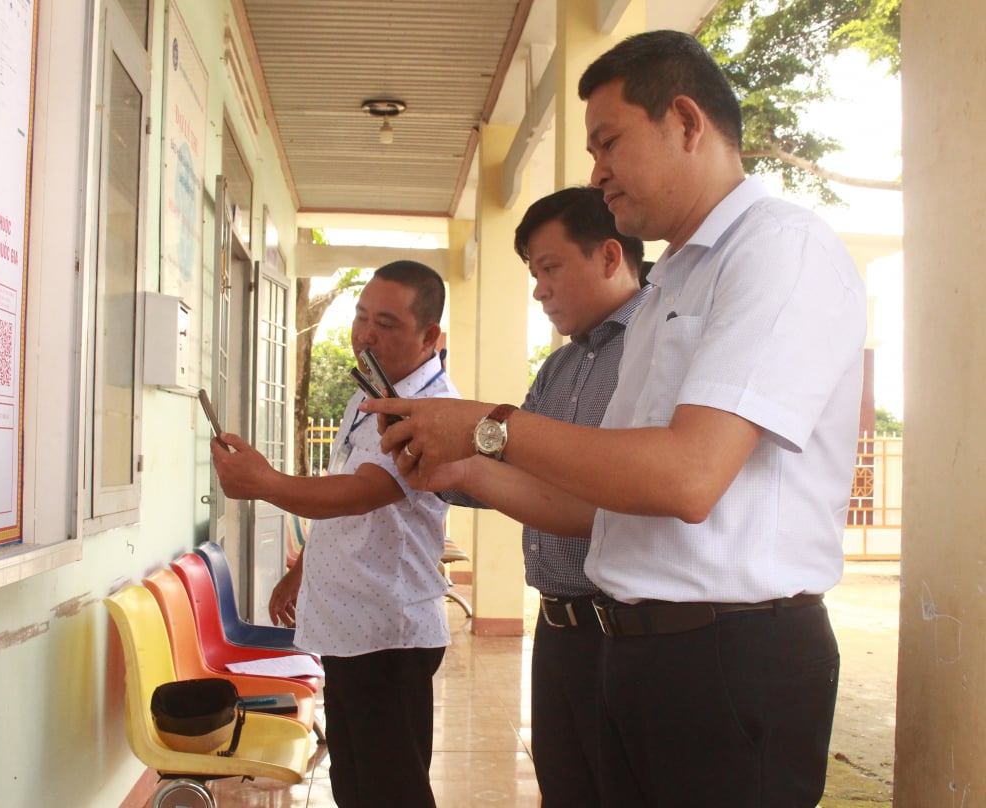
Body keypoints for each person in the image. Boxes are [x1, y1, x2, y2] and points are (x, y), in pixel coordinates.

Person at [361, 30, 866, 808]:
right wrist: (461, 466)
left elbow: (689, 477)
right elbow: (598, 508)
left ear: (687, 122)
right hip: (636, 656)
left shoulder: (780, 251)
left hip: (729, 660)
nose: (597, 173)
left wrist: (489, 425)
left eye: (609, 143)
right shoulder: (669, 288)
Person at [210, 260, 458, 808]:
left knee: (392, 790)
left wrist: (265, 483)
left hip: (387, 632)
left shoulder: (431, 408)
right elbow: (344, 487)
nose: (365, 334)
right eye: (361, 317)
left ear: (429, 335)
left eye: (386, 324)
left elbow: (367, 491)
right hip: (350, 625)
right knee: (355, 784)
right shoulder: (369, 391)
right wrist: (302, 570)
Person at [441, 185, 648, 806]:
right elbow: (522, 479)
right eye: (533, 273)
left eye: (550, 268)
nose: (539, 289)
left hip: (630, 633)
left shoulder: (657, 351)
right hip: (559, 631)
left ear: (610, 256)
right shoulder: (558, 369)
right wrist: (444, 467)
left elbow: (622, 492)